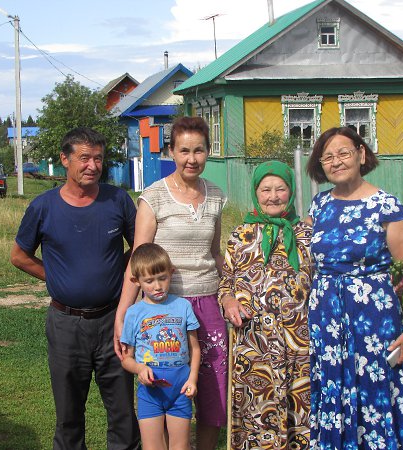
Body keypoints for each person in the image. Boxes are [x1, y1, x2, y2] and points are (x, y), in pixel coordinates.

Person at [10, 127, 140, 450]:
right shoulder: (43, 207)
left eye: (98, 158)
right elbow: (19, 256)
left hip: (114, 320)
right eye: (84, 158)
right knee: (68, 416)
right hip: (66, 325)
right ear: (64, 160)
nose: (92, 166)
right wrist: (54, 277)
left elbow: (141, 247)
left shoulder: (118, 200)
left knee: (123, 412)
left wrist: (118, 273)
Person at [305, 127, 403, 448]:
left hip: (373, 317)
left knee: (377, 384)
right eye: (328, 157)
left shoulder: (385, 206)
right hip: (327, 320)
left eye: (344, 153)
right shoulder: (318, 205)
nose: (336, 162)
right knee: (333, 384)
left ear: (361, 154)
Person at [114, 116, 227, 450]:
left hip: (208, 304)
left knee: (212, 391)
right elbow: (137, 261)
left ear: (208, 152)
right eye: (184, 151)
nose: (192, 159)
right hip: (163, 307)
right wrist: (123, 313)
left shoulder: (217, 196)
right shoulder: (154, 196)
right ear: (171, 152)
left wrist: (235, 288)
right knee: (162, 386)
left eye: (199, 150)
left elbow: (215, 253)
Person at [218, 160, 313, 449]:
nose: (273, 196)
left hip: (300, 344)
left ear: (291, 191)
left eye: (280, 189)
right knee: (257, 411)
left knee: (301, 410)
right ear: (255, 192)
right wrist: (229, 299)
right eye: (265, 189)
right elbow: (225, 280)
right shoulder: (240, 235)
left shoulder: (307, 235)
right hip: (254, 344)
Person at [120, 243, 200, 450]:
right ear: (135, 281)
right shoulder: (133, 313)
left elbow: (195, 349)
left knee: (180, 447)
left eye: (162, 278)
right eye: (149, 281)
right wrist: (140, 368)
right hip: (149, 393)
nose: (157, 286)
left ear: (171, 273)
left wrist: (193, 379)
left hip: (181, 389)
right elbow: (126, 358)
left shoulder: (183, 307)